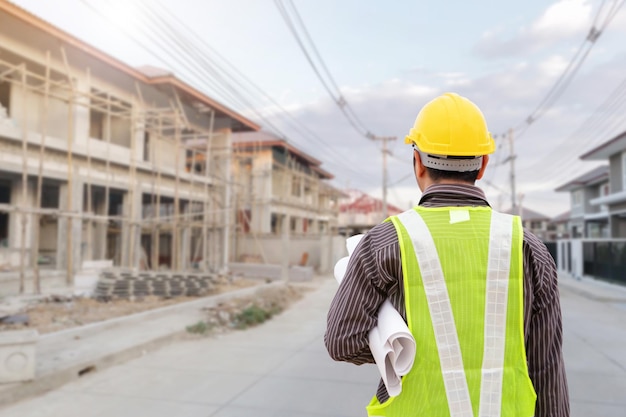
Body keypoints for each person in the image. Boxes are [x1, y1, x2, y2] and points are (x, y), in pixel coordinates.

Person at [324, 92, 569, 417]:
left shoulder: (384, 241)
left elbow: (343, 340)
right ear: (483, 164)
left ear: (418, 163)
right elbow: (546, 370)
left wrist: (398, 350)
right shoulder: (528, 247)